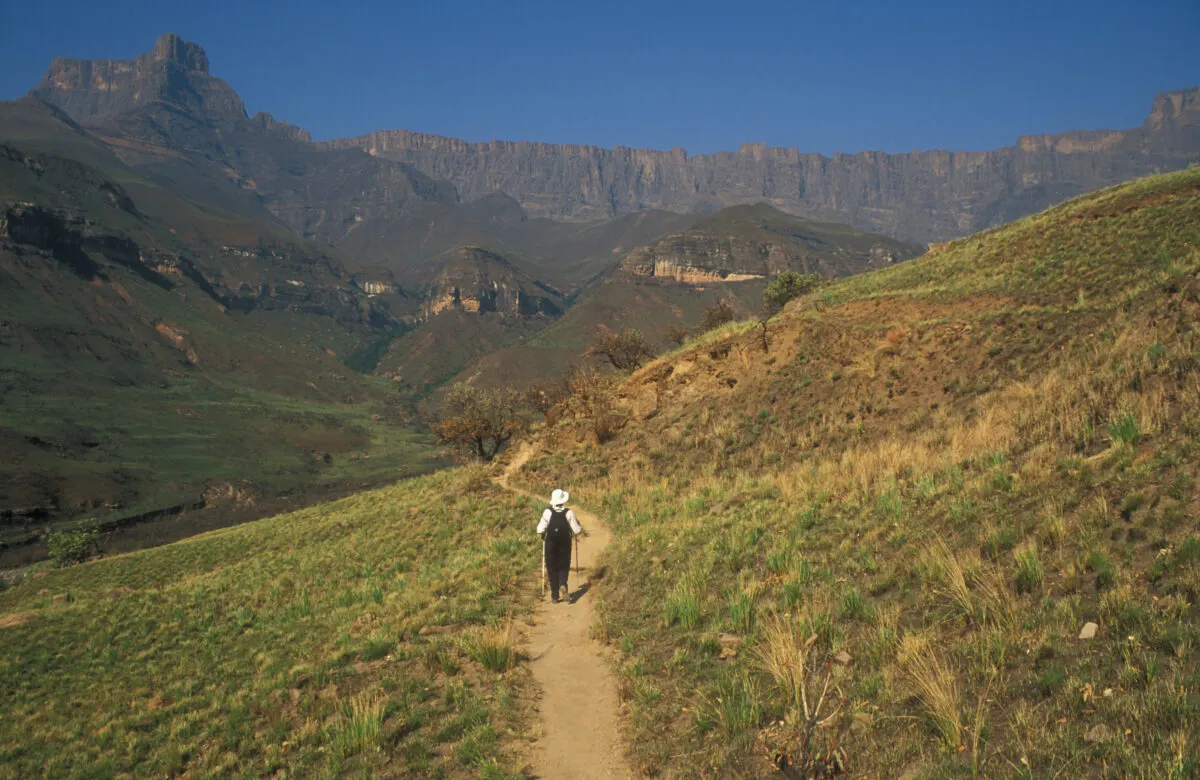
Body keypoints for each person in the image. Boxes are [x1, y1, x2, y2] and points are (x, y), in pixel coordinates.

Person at [537, 488, 582, 603]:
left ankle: (554, 596)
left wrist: (543, 534)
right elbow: (576, 530)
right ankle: (563, 584)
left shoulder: (547, 512)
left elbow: (540, 529)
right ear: (563, 500)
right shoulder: (568, 512)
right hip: (564, 543)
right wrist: (579, 527)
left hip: (550, 543)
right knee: (563, 565)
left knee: (551, 567)